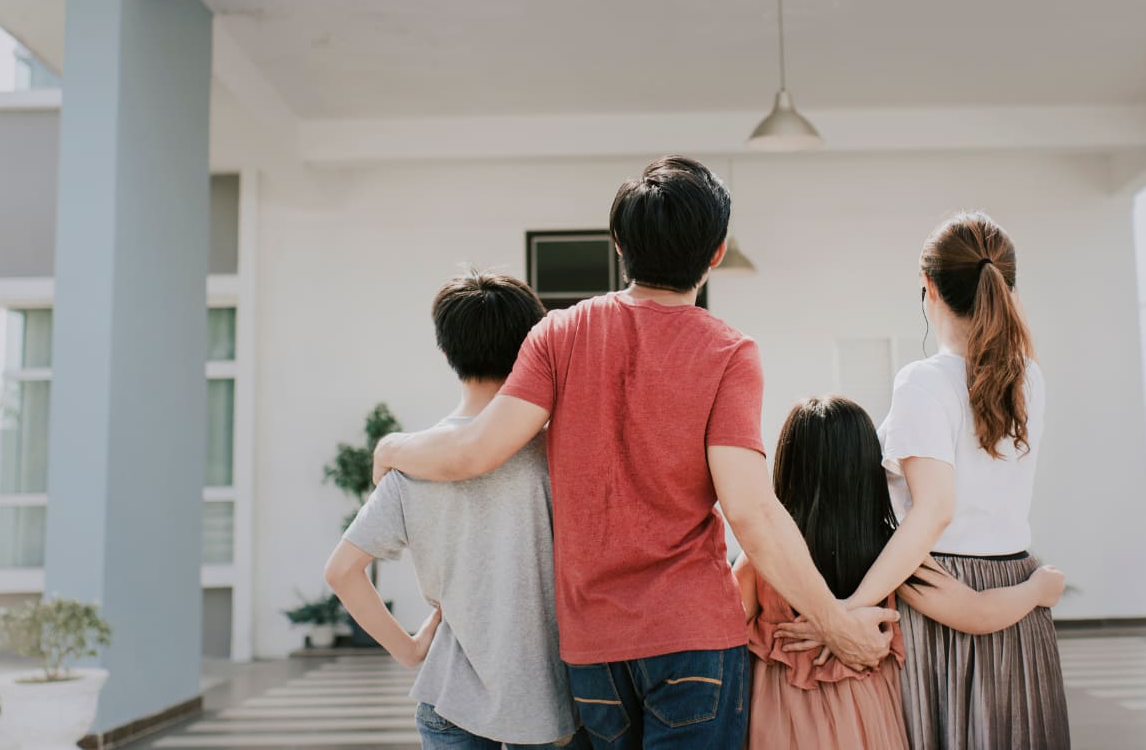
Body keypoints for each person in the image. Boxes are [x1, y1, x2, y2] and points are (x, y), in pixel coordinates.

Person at [372, 155, 894, 749]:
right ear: (716, 252)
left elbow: (474, 450)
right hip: (693, 637)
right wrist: (837, 624)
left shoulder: (559, 334)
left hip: (593, 647)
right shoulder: (728, 351)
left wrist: (393, 446)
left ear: (618, 243)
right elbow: (750, 511)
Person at [801, 212, 1069, 749]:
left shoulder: (923, 381)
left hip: (940, 593)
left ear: (929, 287)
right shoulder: (1028, 375)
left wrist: (850, 609)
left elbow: (933, 512)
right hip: (1017, 593)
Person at [323, 271, 580, 750]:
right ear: (532, 347)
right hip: (550, 700)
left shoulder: (413, 462)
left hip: (450, 697)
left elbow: (342, 571)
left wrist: (408, 648)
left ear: (446, 352)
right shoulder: (556, 455)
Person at [741, 396, 1066, 750]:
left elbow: (722, 632)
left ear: (788, 466)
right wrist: (1038, 589)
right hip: (867, 722)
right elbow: (977, 612)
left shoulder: (764, 557)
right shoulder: (889, 555)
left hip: (779, 722)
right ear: (867, 468)